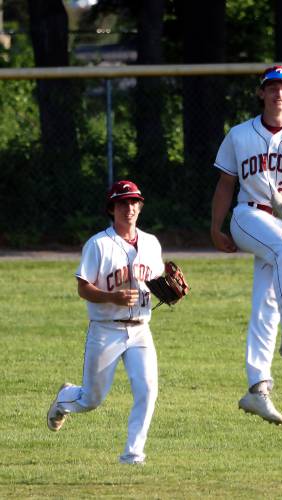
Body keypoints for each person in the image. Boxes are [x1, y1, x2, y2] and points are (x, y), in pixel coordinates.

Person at [210, 65, 282, 425]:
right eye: (272, 87)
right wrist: (215, 226)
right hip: (247, 215)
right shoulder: (239, 135)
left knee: (266, 303)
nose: (279, 94)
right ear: (261, 93)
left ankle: (257, 388)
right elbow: (226, 184)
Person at [46, 180, 165, 465]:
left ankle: (133, 454)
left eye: (134, 202)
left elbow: (159, 281)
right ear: (112, 208)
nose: (130, 208)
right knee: (91, 399)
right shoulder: (98, 244)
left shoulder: (151, 243)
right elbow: (83, 288)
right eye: (123, 203)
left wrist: (170, 293)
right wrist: (111, 296)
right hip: (106, 330)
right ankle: (64, 399)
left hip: (140, 330)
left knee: (148, 389)